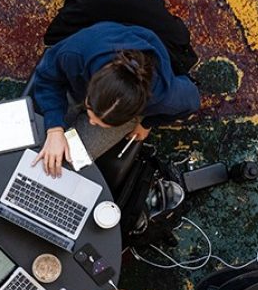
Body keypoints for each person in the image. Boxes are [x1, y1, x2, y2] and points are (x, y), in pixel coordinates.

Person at [30, 20, 200, 177]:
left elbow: (192, 102)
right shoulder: (75, 54)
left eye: (100, 123)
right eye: (90, 111)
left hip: (121, 101)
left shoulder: (165, 96)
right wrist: (54, 129)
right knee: (39, 143)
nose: (90, 122)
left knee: (66, 163)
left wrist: (148, 123)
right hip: (77, 82)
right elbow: (47, 76)